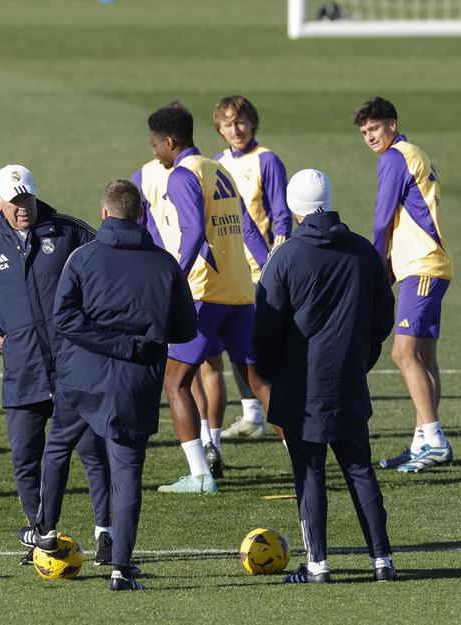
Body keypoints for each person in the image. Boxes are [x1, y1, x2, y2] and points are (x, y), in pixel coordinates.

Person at [18, 179, 196, 591]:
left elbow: (64, 319)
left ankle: (44, 529)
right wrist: (138, 339)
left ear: (104, 213)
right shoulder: (164, 263)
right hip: (135, 385)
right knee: (127, 473)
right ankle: (120, 568)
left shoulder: (82, 258)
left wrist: (111, 341)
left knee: (58, 447)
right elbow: (186, 328)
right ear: (141, 214)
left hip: (81, 383)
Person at [0, 164, 113, 566]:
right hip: (24, 371)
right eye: (16, 201)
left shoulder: (70, 231)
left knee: (93, 450)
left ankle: (106, 534)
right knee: (26, 455)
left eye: (29, 199)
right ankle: (41, 533)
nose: (24, 208)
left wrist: (94, 332)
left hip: (75, 367)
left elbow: (107, 274)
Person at [253, 169, 396, 583]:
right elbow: (382, 317)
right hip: (349, 379)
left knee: (309, 472)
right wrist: (360, 359)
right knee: (359, 469)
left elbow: (265, 329)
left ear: (295, 209)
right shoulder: (364, 252)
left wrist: (271, 372)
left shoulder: (286, 256)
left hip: (300, 385)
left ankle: (318, 564)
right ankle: (382, 561)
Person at [138, 104, 270, 492]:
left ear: (169, 141)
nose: (154, 153)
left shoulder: (181, 175)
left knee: (175, 381)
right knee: (259, 381)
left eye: (155, 146)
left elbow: (193, 231)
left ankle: (199, 475)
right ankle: (302, 457)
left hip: (202, 294)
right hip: (239, 291)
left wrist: (175, 278)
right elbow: (241, 226)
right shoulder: (219, 169)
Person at [353, 97, 453, 473]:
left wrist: (378, 265)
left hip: (421, 268)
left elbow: (382, 219)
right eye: (364, 132)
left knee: (402, 353)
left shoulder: (395, 157)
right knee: (424, 358)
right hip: (428, 265)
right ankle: (421, 442)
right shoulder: (413, 152)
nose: (369, 137)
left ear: (391, 125)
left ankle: (437, 441)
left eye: (374, 129)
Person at [213, 95, 292, 439]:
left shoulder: (267, 160)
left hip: (262, 270)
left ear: (253, 122)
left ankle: (283, 412)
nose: (236, 129)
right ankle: (251, 416)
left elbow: (281, 214)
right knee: (236, 343)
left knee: (266, 343)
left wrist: (277, 256)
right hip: (229, 271)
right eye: (228, 124)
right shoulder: (216, 163)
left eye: (241, 122)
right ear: (219, 128)